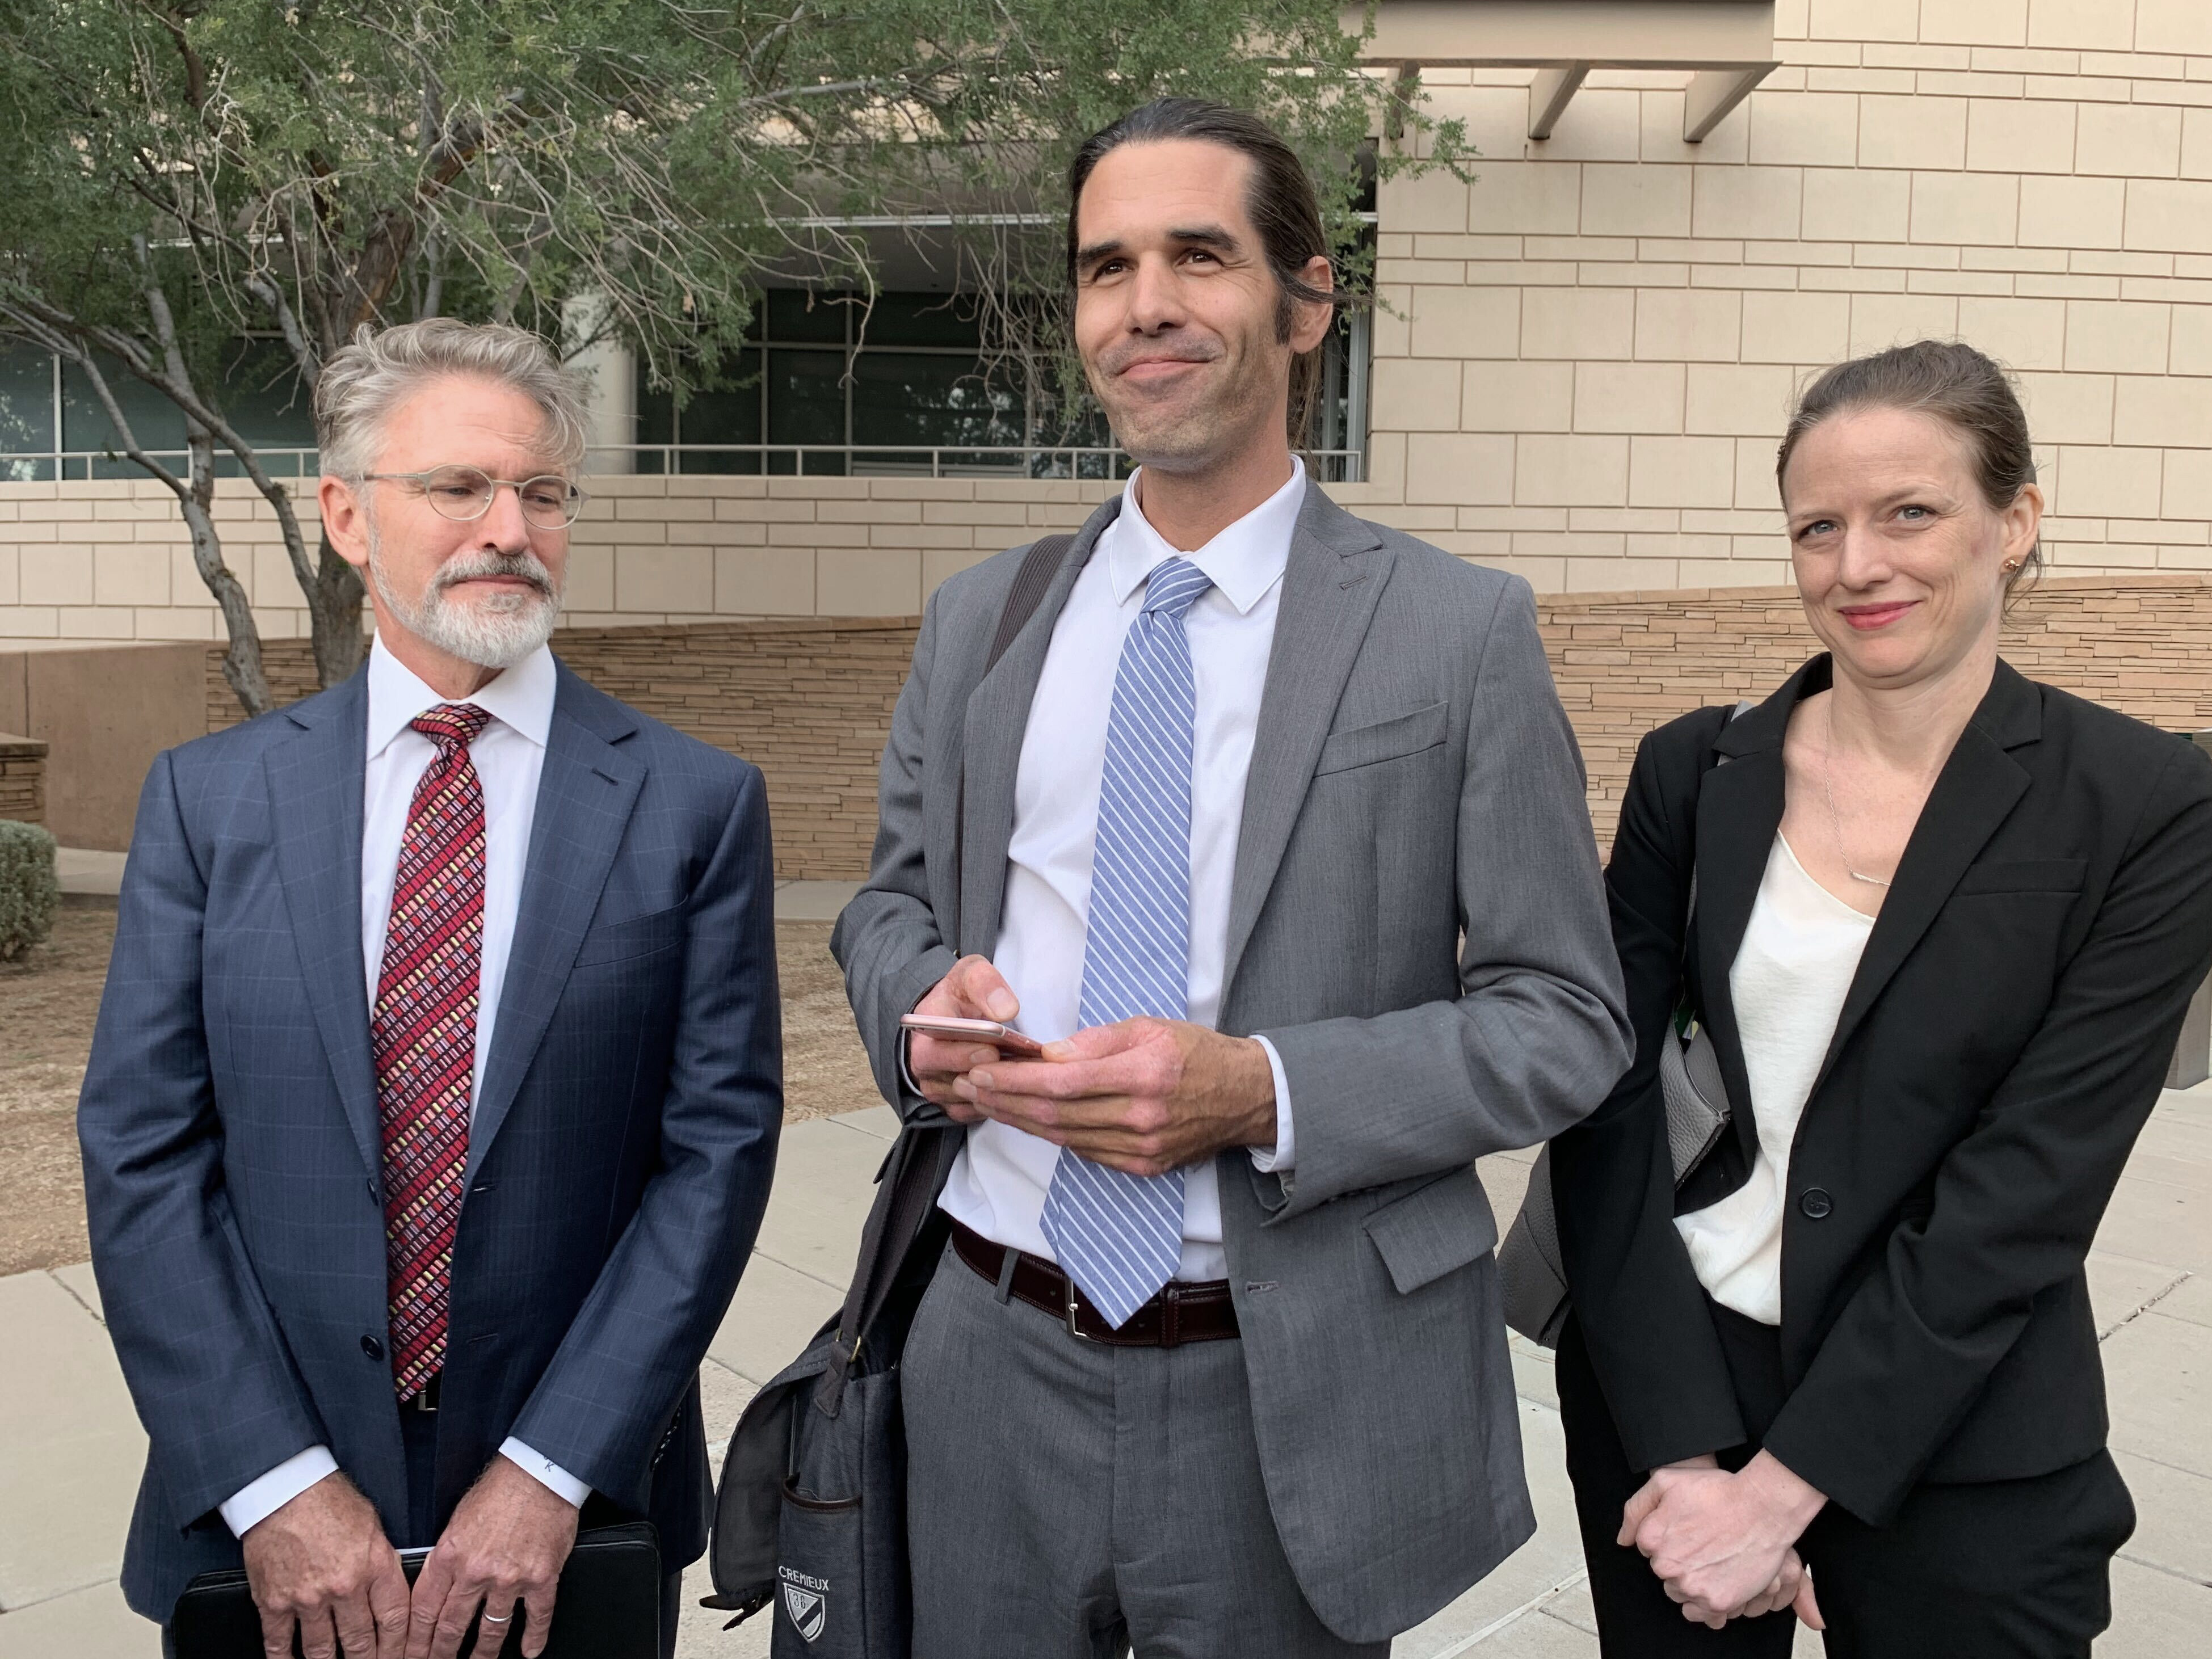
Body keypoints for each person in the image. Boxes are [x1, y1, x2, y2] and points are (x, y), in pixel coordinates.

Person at [829, 98, 1631, 1658]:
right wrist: (916, 1000)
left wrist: (1261, 1089)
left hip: (1292, 1385)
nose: (1146, 305)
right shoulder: (981, 620)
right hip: (988, 1356)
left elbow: (1564, 1016)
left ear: (1306, 299)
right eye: (1105, 266)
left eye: (1199, 255)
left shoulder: (1456, 632)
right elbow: (887, 906)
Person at [78, 318, 783, 1659]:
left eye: (544, 493)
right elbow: (142, 1155)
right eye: (459, 487)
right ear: (347, 515)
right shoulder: (211, 801)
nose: (508, 526)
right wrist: (274, 1479)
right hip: (260, 1515)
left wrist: (550, 1467)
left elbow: (715, 1159)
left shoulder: (693, 804)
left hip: (568, 1522)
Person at [1549, 339, 2212, 1658]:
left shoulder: (2142, 803)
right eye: (1816, 526)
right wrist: (1684, 1454)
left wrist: (1782, 1492)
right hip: (1671, 1385)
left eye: (1908, 511)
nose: (1856, 565)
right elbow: (1605, 1101)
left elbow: (2030, 1179)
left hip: (1956, 1424)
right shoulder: (1697, 769)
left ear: (2013, 521)